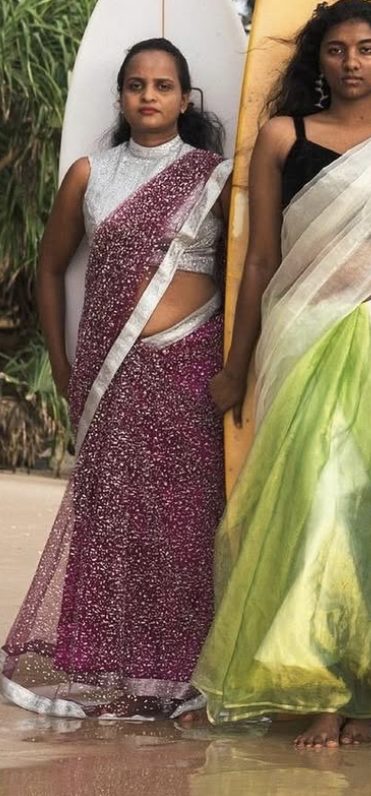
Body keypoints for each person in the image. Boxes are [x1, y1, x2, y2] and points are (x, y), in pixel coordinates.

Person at [193, 0, 371, 749]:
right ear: (317, 59)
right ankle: (321, 682)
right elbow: (262, 258)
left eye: (366, 49)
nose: (351, 63)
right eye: (336, 50)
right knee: (315, 500)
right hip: (303, 330)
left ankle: (363, 690)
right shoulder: (283, 136)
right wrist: (235, 366)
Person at [1, 38, 232, 719]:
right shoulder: (89, 174)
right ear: (121, 96)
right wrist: (64, 363)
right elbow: (50, 269)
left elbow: (246, 272)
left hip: (192, 368)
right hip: (113, 373)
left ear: (185, 99)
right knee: (114, 519)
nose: (149, 95)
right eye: (136, 84)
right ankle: (116, 668)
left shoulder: (216, 176)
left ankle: (187, 671)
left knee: (188, 520)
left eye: (164, 85)